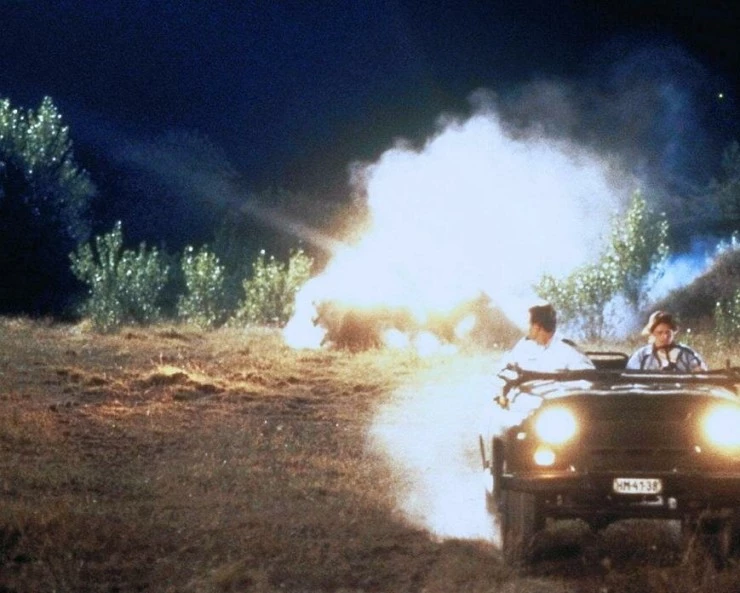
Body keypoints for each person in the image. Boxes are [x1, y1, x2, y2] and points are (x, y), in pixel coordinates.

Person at [497, 303, 595, 374]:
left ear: (537, 326)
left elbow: (588, 380)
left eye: (528, 324)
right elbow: (502, 371)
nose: (526, 328)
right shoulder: (524, 346)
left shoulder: (568, 351)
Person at [626, 311, 707, 372]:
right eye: (660, 333)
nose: (665, 336)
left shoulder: (687, 354)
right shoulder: (642, 355)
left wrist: (698, 371)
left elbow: (702, 374)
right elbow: (630, 378)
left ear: (673, 332)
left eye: (668, 332)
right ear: (652, 333)